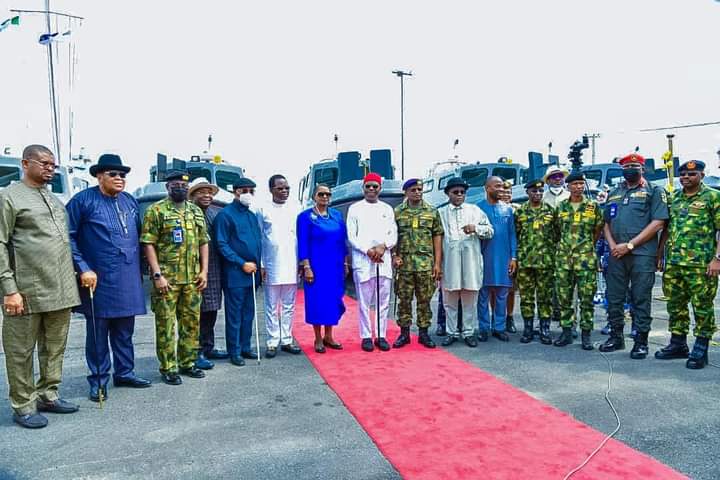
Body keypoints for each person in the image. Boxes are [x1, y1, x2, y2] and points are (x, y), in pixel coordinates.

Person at [0, 145, 80, 429]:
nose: (50, 169)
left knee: (54, 347)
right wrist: (9, 289)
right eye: (44, 163)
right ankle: (23, 405)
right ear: (25, 163)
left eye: (53, 165)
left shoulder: (54, 199)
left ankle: (48, 394)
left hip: (60, 289)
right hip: (25, 291)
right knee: (20, 351)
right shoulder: (8, 197)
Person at [66, 153, 151, 403]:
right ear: (99, 176)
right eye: (113, 174)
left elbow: (138, 236)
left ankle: (125, 372)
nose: (119, 178)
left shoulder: (129, 201)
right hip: (98, 278)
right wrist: (83, 267)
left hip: (127, 277)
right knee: (98, 334)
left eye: (122, 175)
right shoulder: (82, 201)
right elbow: (68, 236)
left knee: (125, 330)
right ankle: (99, 380)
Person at [141, 170, 209, 384]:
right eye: (175, 184)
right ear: (168, 187)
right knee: (166, 325)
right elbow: (148, 243)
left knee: (191, 324)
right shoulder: (156, 211)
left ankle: (187, 362)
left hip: (192, 279)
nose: (180, 187)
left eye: (183, 184)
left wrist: (204, 271)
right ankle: (169, 367)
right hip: (167, 280)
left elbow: (203, 242)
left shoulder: (195, 211)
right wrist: (157, 274)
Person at [599, 153, 669, 358]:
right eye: (626, 166)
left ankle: (641, 341)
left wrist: (629, 245)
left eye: (634, 166)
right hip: (616, 255)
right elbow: (606, 223)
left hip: (642, 254)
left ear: (642, 169)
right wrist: (613, 246)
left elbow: (658, 222)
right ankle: (616, 336)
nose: (630, 169)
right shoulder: (614, 192)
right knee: (614, 297)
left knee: (640, 298)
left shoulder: (654, 191)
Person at [656, 160, 720, 369]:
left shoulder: (713, 197)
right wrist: (660, 254)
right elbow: (667, 229)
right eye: (683, 174)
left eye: (691, 174)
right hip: (675, 263)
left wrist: (717, 259)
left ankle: (701, 347)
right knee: (675, 305)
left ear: (701, 175)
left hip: (701, 265)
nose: (686, 177)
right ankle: (678, 343)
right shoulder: (674, 198)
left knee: (702, 306)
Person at [438, 177, 493, 347]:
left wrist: (476, 228)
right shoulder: (440, 213)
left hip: (471, 262)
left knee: (469, 300)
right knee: (450, 301)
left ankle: (468, 332)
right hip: (449, 263)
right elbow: (435, 238)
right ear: (448, 194)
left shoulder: (475, 211)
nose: (459, 195)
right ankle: (451, 332)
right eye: (455, 192)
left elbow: (490, 231)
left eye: (462, 192)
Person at [552, 172, 604, 349]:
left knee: (587, 298)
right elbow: (556, 232)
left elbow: (597, 230)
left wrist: (587, 246)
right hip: (564, 260)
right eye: (574, 184)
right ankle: (566, 332)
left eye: (581, 184)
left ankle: (586, 335)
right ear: (568, 186)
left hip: (585, 259)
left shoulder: (593, 206)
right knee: (564, 298)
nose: (578, 187)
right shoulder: (560, 207)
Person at [347, 173, 398, 352]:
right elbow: (351, 236)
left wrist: (384, 246)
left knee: (383, 301)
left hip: (383, 259)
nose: (371, 189)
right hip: (363, 258)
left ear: (379, 189)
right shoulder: (355, 208)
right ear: (363, 188)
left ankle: (381, 335)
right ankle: (366, 336)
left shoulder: (387, 209)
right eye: (368, 186)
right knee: (364, 301)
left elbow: (393, 233)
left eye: (374, 186)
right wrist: (368, 250)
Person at [214, 178, 262, 365]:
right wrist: (241, 262)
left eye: (251, 190)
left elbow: (256, 243)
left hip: (253, 274)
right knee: (234, 315)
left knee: (248, 312)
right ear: (236, 192)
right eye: (244, 190)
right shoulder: (225, 215)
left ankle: (245, 346)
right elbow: (222, 244)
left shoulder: (251, 215)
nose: (248, 193)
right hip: (236, 273)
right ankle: (234, 351)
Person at [392, 179, 443, 349]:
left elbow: (437, 236)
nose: (417, 192)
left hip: (425, 265)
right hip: (404, 265)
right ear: (406, 192)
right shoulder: (398, 212)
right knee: (404, 300)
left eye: (420, 189)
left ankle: (424, 333)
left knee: (424, 300)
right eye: (413, 189)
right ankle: (404, 333)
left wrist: (437, 263)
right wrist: (394, 255)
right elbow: (393, 237)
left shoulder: (432, 212)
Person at [297, 184, 348, 353]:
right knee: (317, 302)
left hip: (335, 266)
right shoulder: (305, 217)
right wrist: (307, 267)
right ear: (314, 196)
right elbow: (303, 243)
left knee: (332, 301)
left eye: (327, 194)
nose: (325, 197)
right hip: (316, 266)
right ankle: (318, 338)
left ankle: (329, 336)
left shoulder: (336, 215)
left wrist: (346, 262)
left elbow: (343, 241)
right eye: (321, 194)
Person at [256, 174, 302, 358]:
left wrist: (302, 262)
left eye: (287, 188)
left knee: (289, 305)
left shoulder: (296, 208)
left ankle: (287, 340)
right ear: (271, 190)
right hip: (271, 263)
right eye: (280, 188)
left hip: (291, 262)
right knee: (271, 305)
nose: (284, 192)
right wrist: (261, 264)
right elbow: (259, 238)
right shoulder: (262, 209)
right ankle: (272, 341)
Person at [188, 177, 228, 369]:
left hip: (213, 268)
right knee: (195, 313)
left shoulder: (214, 213)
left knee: (211, 310)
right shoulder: (187, 213)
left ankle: (208, 346)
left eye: (209, 192)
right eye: (201, 192)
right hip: (193, 270)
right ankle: (195, 352)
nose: (207, 195)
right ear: (193, 195)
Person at [514, 179, 556, 344]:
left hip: (546, 261)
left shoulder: (551, 211)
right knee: (526, 297)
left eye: (540, 191)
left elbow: (556, 235)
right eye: (534, 191)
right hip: (526, 262)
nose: (537, 194)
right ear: (527, 192)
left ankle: (544, 328)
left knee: (545, 297)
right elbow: (516, 236)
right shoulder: (520, 212)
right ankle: (528, 328)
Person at [476, 176, 517, 342]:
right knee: (483, 295)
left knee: (502, 295)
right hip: (483, 258)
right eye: (497, 186)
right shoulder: (477, 209)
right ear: (487, 188)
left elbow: (512, 235)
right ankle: (484, 327)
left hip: (504, 258)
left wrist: (513, 257)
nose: (501, 189)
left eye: (502, 186)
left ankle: (499, 327)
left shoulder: (508, 210)